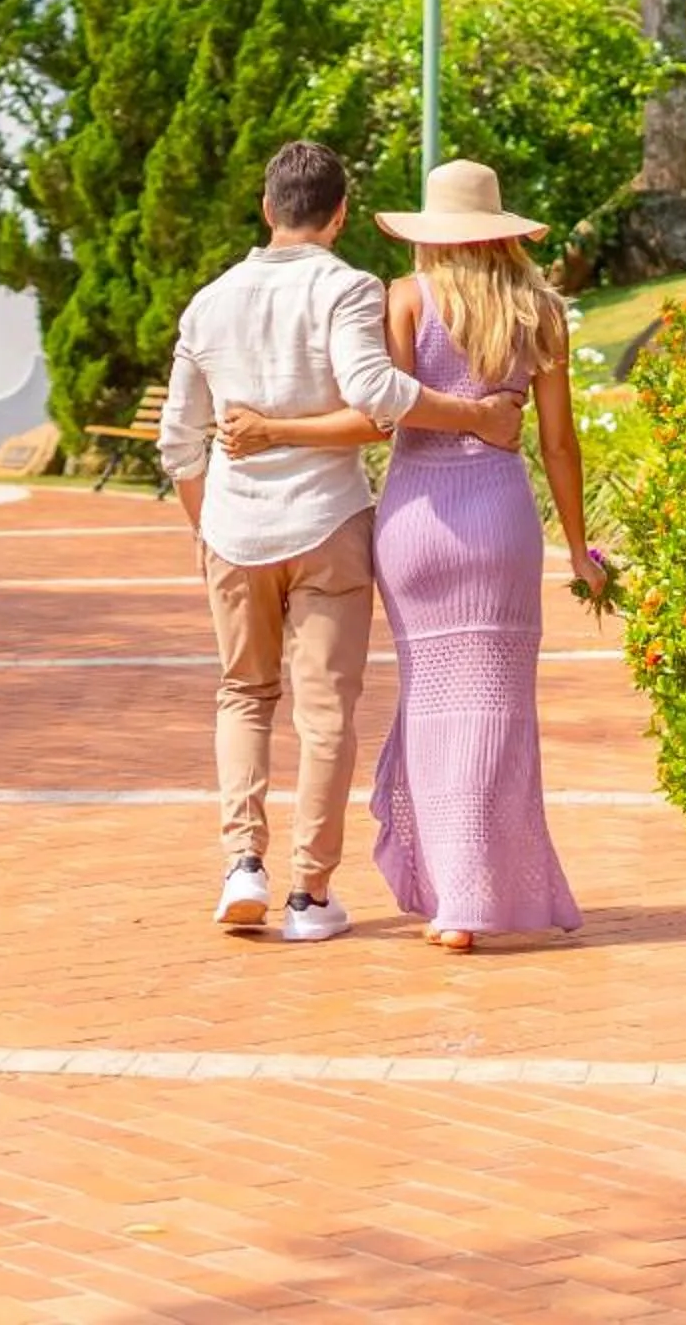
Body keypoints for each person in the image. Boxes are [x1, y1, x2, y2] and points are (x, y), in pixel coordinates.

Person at [219, 159, 604, 953]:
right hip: (498, 521)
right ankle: (471, 895)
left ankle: (452, 899)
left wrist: (272, 430)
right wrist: (578, 547)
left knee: (430, 701)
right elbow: (559, 445)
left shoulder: (404, 298)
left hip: (415, 522)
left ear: (431, 234)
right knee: (499, 712)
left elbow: (378, 414)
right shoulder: (540, 311)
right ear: (503, 231)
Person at [158, 141, 526, 943]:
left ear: (267, 208)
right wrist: (476, 415)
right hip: (328, 524)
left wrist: (207, 528)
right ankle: (308, 895)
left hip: (233, 529)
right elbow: (376, 394)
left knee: (244, 695)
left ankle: (240, 866)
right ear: (340, 214)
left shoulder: (209, 301)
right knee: (325, 713)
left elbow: (178, 442)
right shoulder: (348, 288)